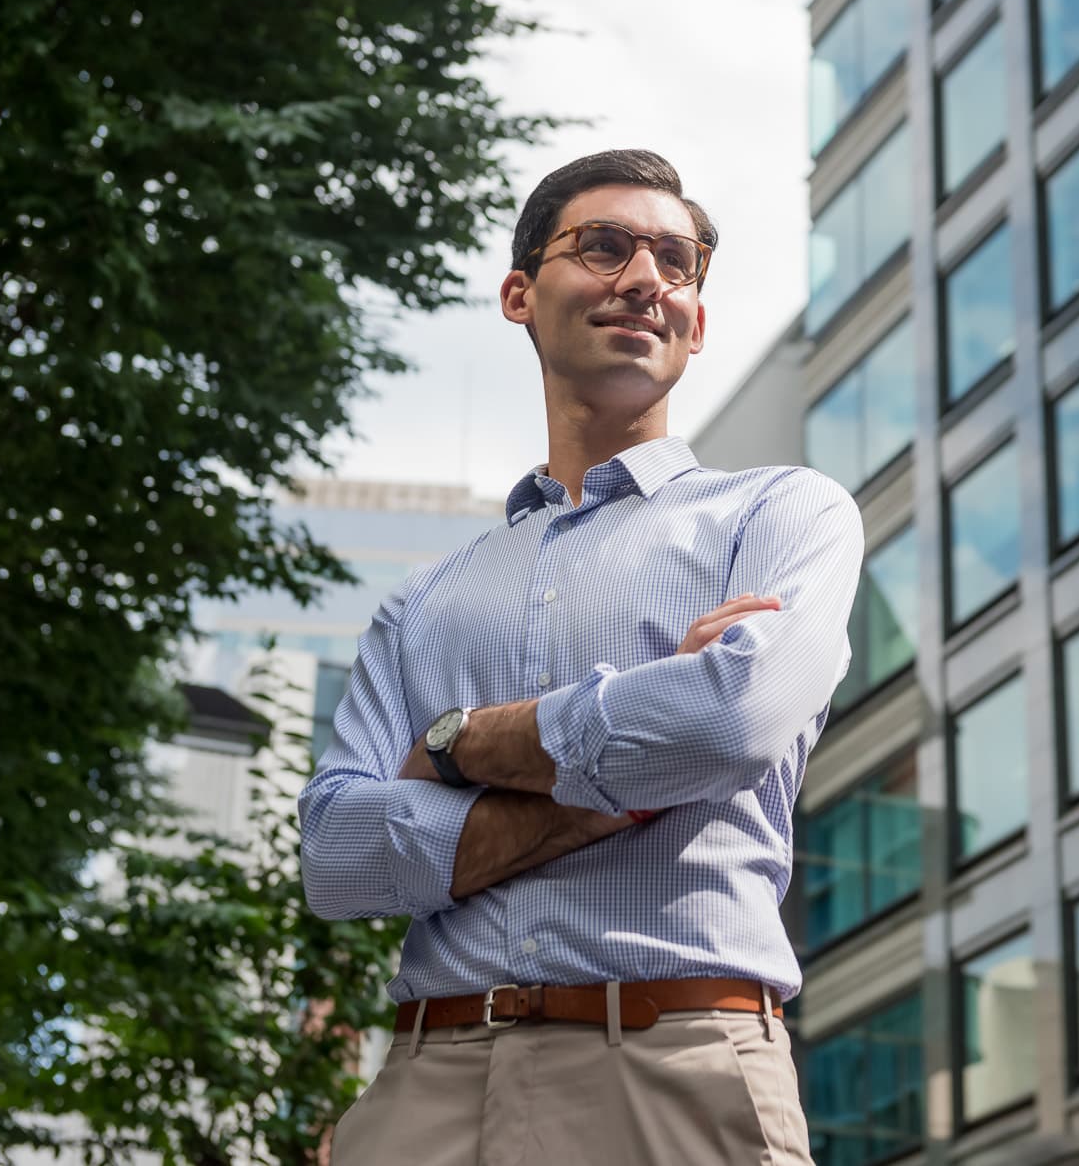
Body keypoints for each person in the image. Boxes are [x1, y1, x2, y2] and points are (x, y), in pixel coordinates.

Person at [299, 148, 864, 1165]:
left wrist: (459, 745)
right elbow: (337, 856)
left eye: (676, 263)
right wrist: (645, 756)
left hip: (672, 1065)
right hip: (425, 1080)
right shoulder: (417, 605)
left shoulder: (780, 515)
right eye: (603, 247)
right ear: (520, 292)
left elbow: (729, 719)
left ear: (694, 318)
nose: (645, 279)